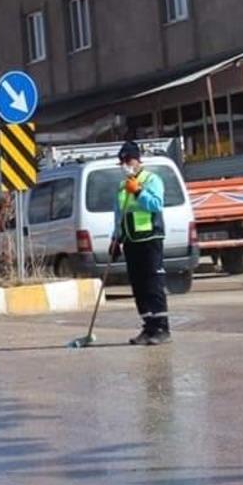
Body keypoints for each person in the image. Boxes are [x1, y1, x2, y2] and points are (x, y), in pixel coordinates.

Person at [110, 141, 170, 345]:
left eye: (128, 160)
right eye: (122, 162)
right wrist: (115, 238)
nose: (125, 165)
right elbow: (119, 214)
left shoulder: (151, 179)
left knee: (153, 283)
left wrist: (138, 191)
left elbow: (156, 205)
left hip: (150, 238)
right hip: (130, 239)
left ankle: (161, 328)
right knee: (138, 285)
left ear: (137, 160)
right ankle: (148, 326)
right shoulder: (121, 186)